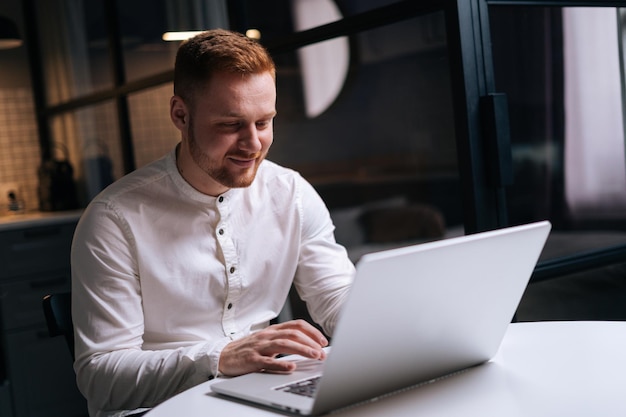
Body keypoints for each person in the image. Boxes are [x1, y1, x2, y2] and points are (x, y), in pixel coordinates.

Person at [71, 29, 355, 417]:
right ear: (180, 114)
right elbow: (101, 378)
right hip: (159, 409)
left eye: (264, 122)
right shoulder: (113, 220)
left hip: (264, 395)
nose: (253, 144)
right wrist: (219, 357)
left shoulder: (292, 193)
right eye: (231, 125)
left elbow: (338, 296)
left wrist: (390, 325)